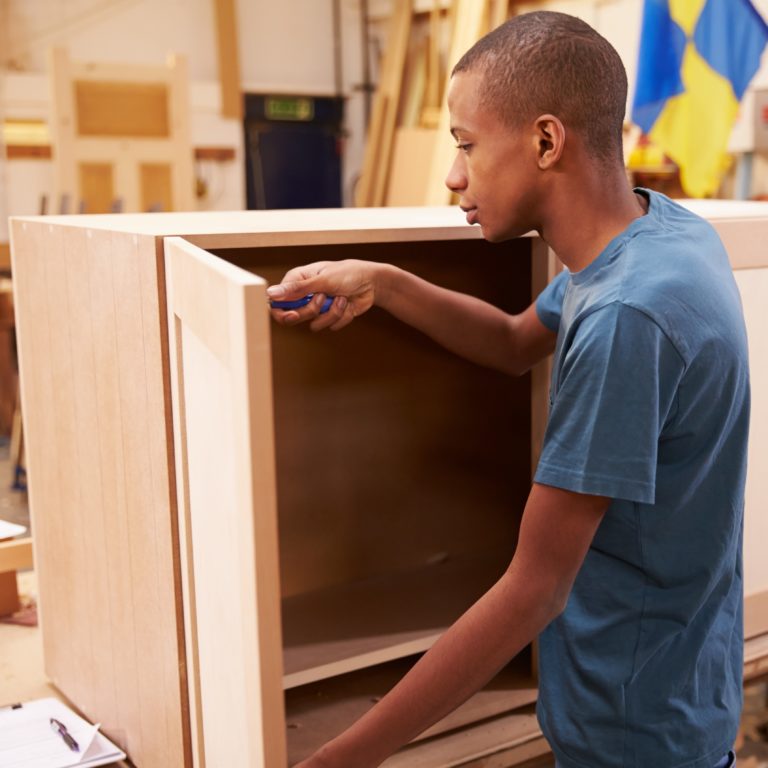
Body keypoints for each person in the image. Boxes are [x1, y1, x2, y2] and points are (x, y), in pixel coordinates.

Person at [267, 12, 748, 768]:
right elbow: (514, 340)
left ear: (546, 141)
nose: (455, 175)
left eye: (465, 144)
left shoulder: (629, 317)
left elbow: (533, 591)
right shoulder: (658, 236)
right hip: (673, 687)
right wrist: (385, 282)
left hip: (636, 734)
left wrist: (341, 757)